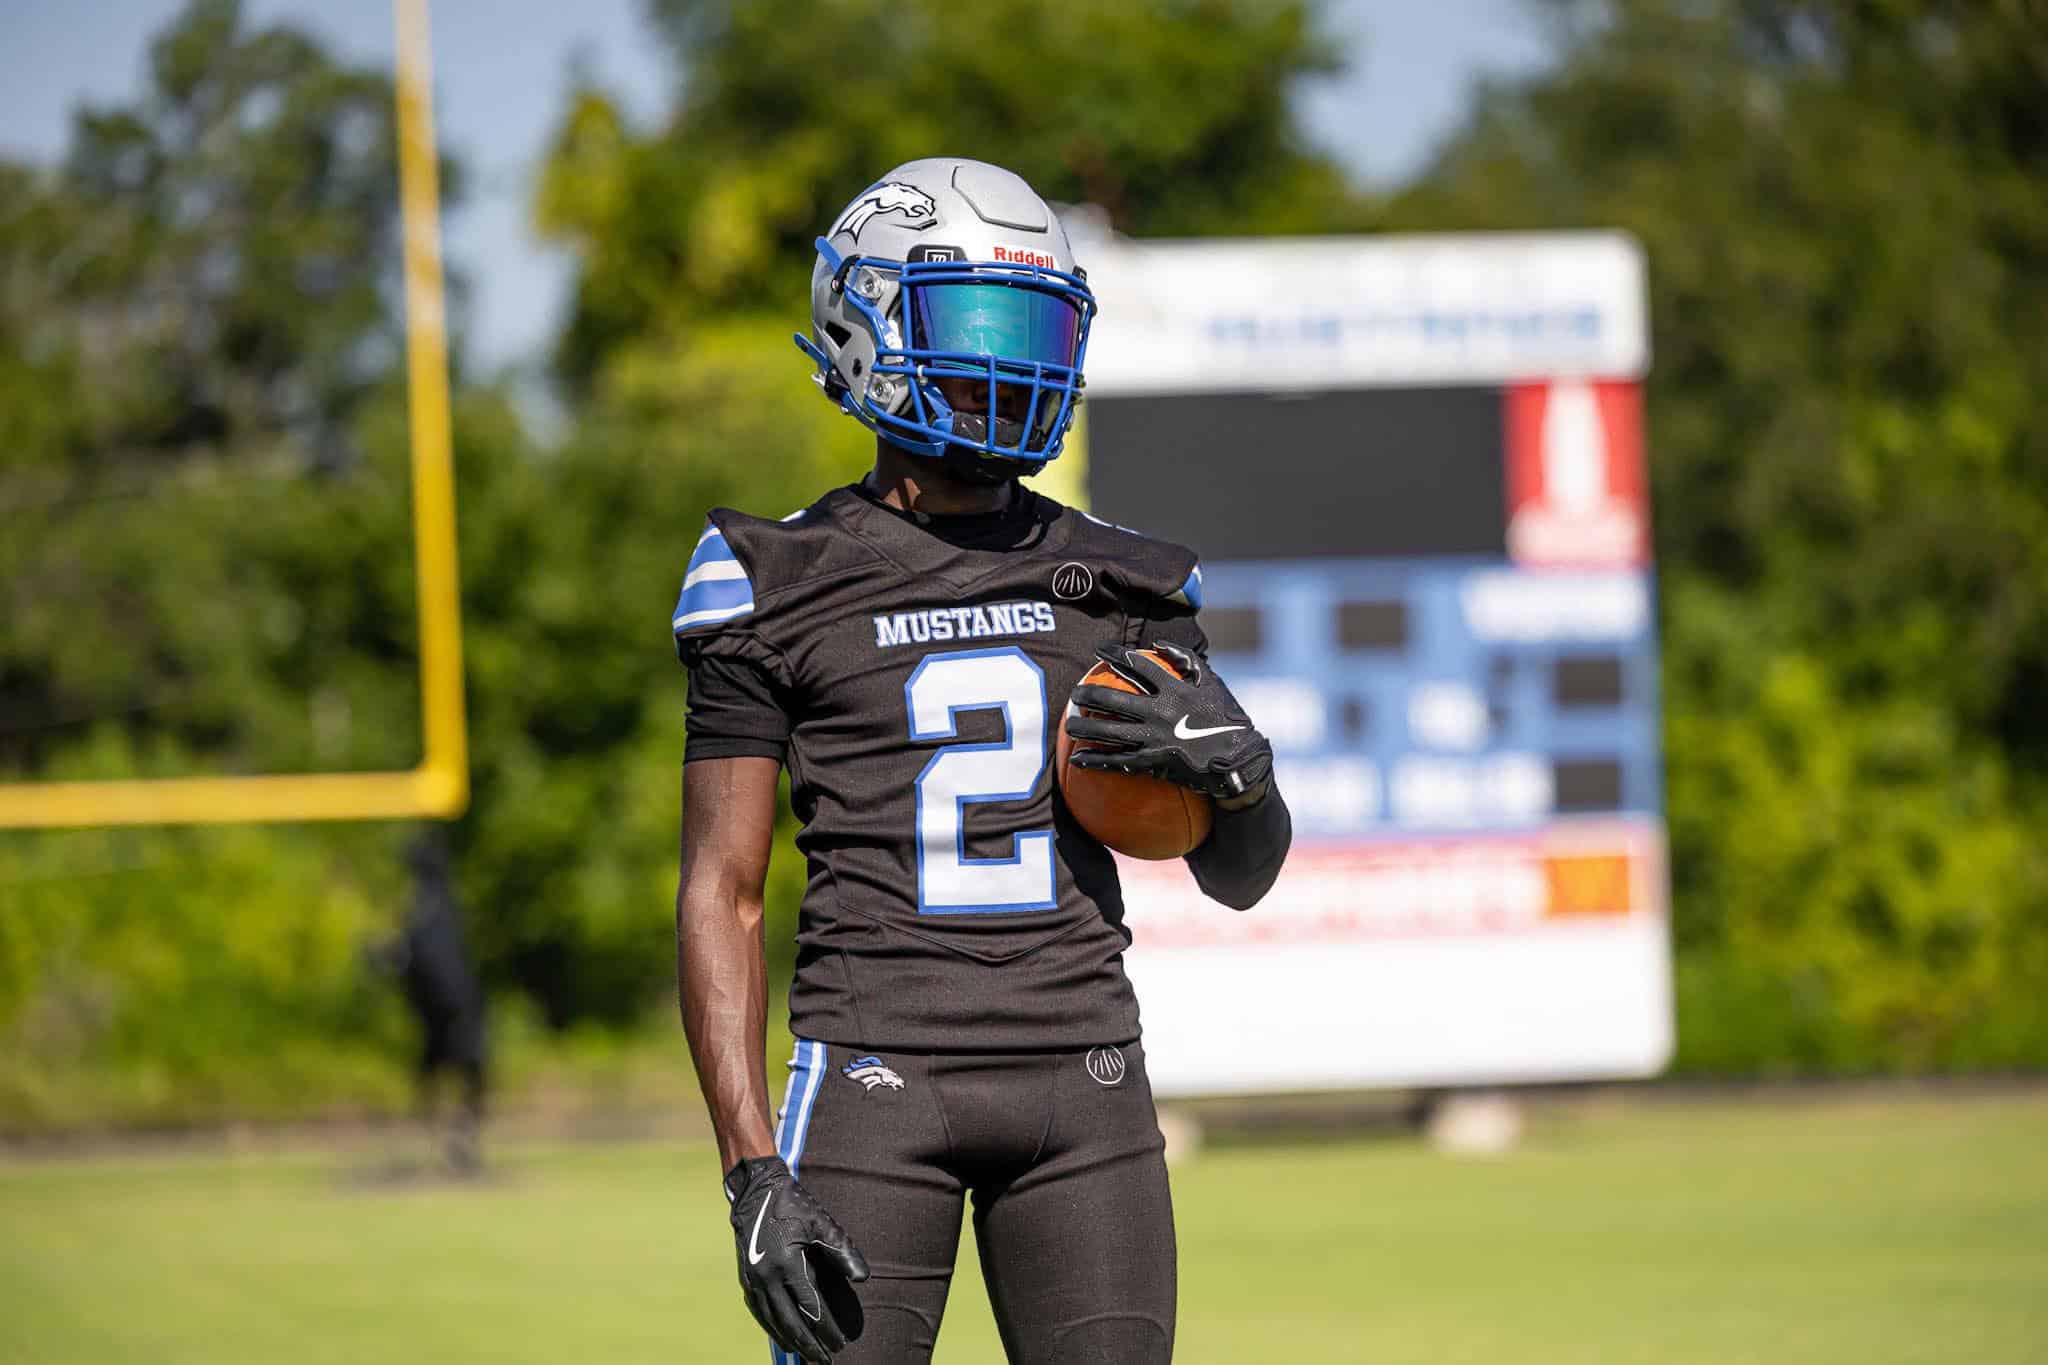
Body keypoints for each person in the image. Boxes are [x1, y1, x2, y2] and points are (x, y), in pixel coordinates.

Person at [673, 157, 1292, 1365]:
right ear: (863, 322)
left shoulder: (1125, 579)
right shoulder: (771, 576)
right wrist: (751, 1171)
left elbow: (1239, 875)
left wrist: (1243, 780)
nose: (1007, 364)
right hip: (870, 1085)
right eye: (971, 324)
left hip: (1084, 1086)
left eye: (1031, 329)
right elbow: (721, 891)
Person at [372, 832, 489, 1174]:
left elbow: (417, 956)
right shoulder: (436, 905)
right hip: (445, 1010)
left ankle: (457, 1139)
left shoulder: (430, 907)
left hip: (455, 1009)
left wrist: (391, 958)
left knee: (459, 1074)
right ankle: (447, 1141)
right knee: (446, 1074)